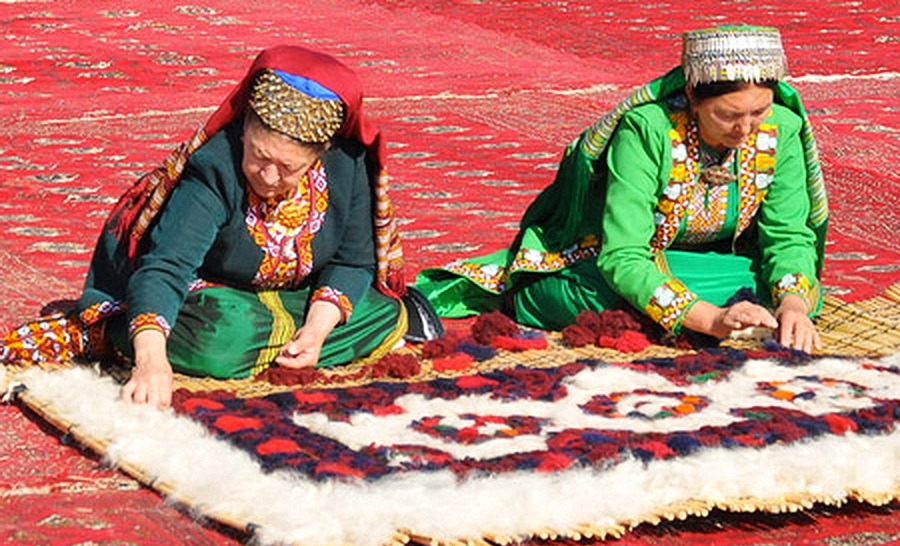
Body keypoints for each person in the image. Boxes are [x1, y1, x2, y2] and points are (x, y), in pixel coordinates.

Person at [1, 45, 440, 408]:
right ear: (244, 130)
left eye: (287, 167)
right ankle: (108, 334)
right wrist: (152, 362)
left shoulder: (347, 166)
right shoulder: (214, 169)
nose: (268, 177)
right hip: (206, 297)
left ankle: (288, 340)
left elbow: (353, 260)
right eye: (259, 157)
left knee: (384, 313)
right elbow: (166, 268)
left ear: (319, 153)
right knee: (224, 335)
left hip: (287, 299)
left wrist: (317, 331)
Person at [417, 25, 827, 353]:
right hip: (608, 260)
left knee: (790, 293)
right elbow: (623, 255)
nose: (745, 129)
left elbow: (788, 235)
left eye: (759, 111)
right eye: (728, 115)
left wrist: (793, 305)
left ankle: (709, 303)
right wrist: (709, 320)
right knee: (574, 292)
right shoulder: (647, 130)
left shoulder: (782, 130)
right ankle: (694, 305)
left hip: (715, 264)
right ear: (692, 97)